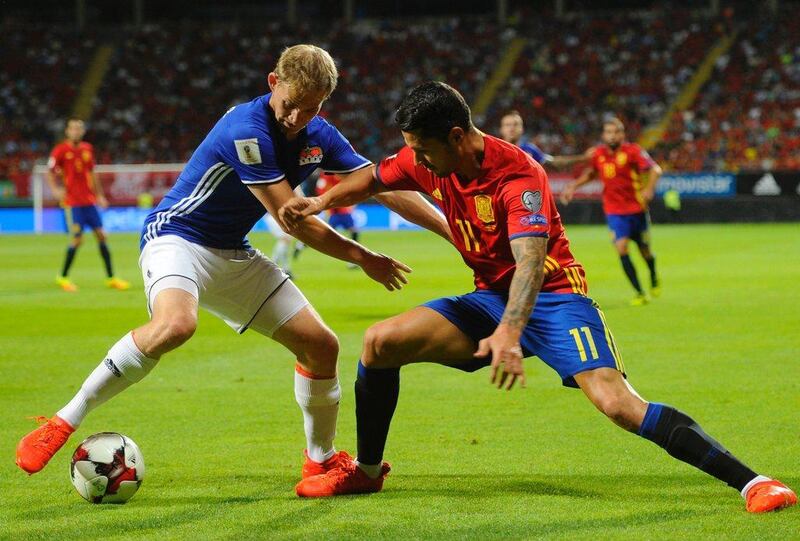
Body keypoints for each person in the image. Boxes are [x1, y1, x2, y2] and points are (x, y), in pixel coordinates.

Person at [280, 81, 796, 513]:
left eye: (422, 149)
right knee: (379, 342)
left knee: (615, 402)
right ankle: (368, 472)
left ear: (456, 136)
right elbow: (372, 177)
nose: (415, 160)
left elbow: (530, 261)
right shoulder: (428, 160)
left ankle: (754, 482)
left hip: (553, 298)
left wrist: (509, 330)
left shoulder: (519, 175)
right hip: (489, 299)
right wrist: (321, 200)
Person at [16, 45, 450, 485]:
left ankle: (320, 461)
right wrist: (362, 256)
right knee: (176, 325)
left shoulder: (320, 133)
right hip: (177, 237)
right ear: (272, 83)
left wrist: (452, 230)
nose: (298, 117)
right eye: (291, 104)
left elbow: (382, 183)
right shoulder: (246, 128)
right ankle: (63, 420)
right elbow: (292, 219)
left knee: (322, 346)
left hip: (231, 251)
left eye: (311, 108)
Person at [561, 118, 661, 306]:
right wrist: (574, 185)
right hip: (614, 212)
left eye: (616, 132)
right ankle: (639, 292)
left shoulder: (633, 151)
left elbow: (655, 170)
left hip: (636, 209)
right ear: (603, 135)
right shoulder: (598, 154)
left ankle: (653, 275)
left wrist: (649, 189)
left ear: (622, 134)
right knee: (621, 248)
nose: (612, 136)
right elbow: (592, 174)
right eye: (608, 132)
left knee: (645, 251)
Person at [46, 118, 130, 292]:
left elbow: (92, 173)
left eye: (79, 128)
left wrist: (99, 195)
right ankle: (63, 277)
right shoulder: (60, 150)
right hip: (73, 203)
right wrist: (55, 190)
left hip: (89, 202)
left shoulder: (87, 149)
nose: (76, 131)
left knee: (102, 236)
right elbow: (50, 171)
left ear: (82, 131)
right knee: (77, 240)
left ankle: (111, 278)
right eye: (73, 128)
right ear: (67, 131)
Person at [498, 110, 591, 168]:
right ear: (501, 129)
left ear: (522, 129)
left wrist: (582, 158)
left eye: (516, 124)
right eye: (507, 125)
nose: (512, 128)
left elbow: (554, 162)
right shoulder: (494, 149)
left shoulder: (529, 150)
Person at [317, 172, 360, 269]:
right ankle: (302, 245)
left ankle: (353, 258)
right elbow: (320, 190)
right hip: (334, 210)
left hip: (342, 209)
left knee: (352, 232)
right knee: (326, 236)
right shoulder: (326, 176)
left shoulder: (339, 172)